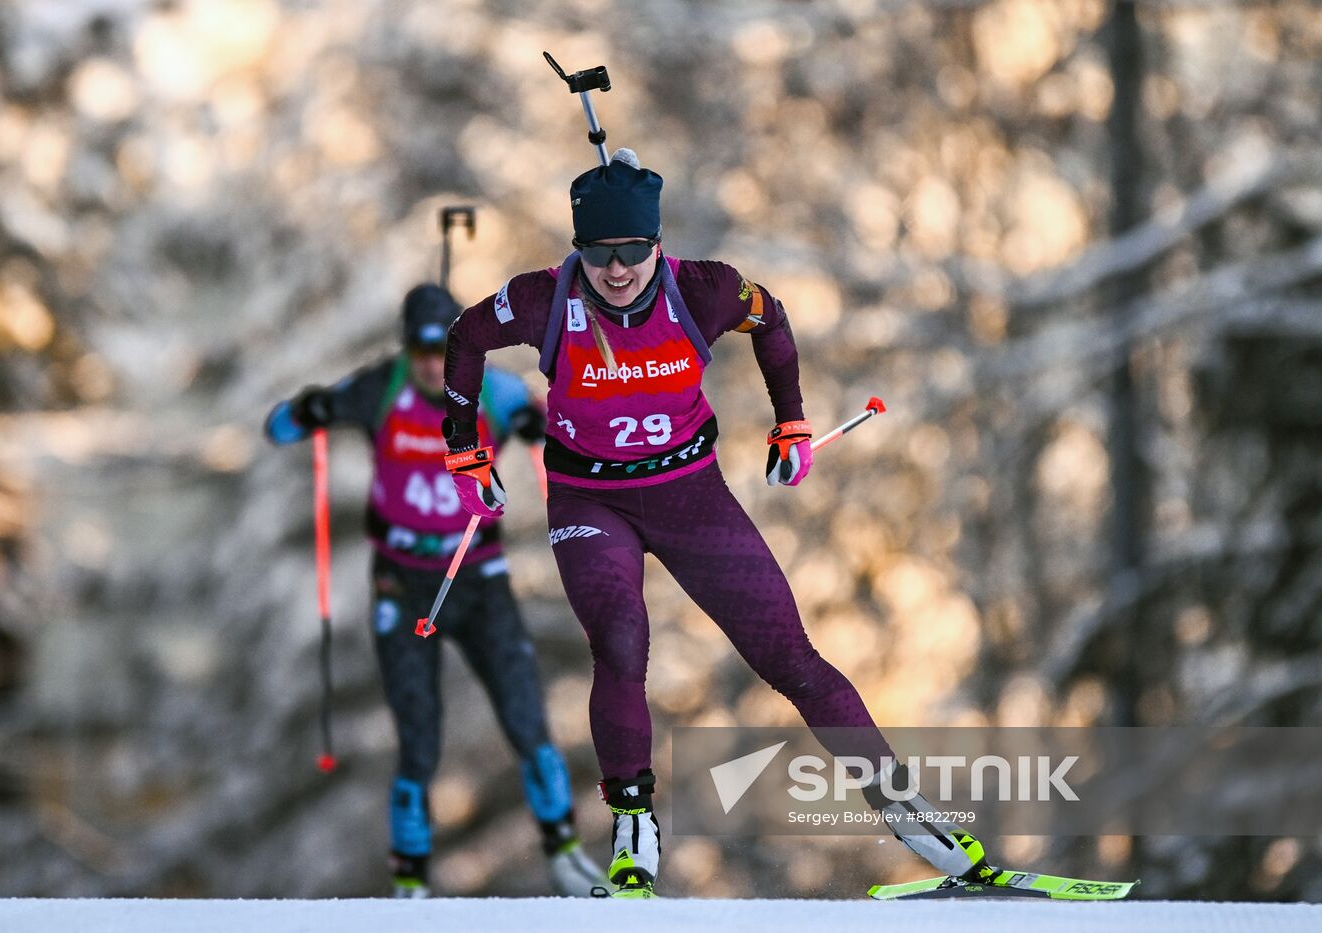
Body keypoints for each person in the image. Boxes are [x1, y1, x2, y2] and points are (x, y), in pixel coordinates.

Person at [440, 150, 995, 898]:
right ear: (579, 250)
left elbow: (773, 321)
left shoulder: (703, 289)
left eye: (633, 251)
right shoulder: (543, 301)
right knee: (620, 636)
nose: (616, 270)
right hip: (589, 499)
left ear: (655, 242)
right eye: (599, 254)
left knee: (790, 656)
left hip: (689, 493)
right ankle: (634, 833)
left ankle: (911, 816)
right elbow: (466, 337)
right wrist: (464, 450)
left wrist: (791, 424)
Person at [264, 284, 604, 898]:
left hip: (478, 576)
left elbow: (562, 431)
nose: (430, 362)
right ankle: (410, 880)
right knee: (418, 736)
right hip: (403, 579)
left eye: (443, 348)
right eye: (420, 349)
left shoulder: (495, 390)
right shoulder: (380, 388)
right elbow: (279, 428)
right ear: (405, 349)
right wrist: (306, 411)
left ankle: (565, 853)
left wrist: (536, 424)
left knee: (526, 714)